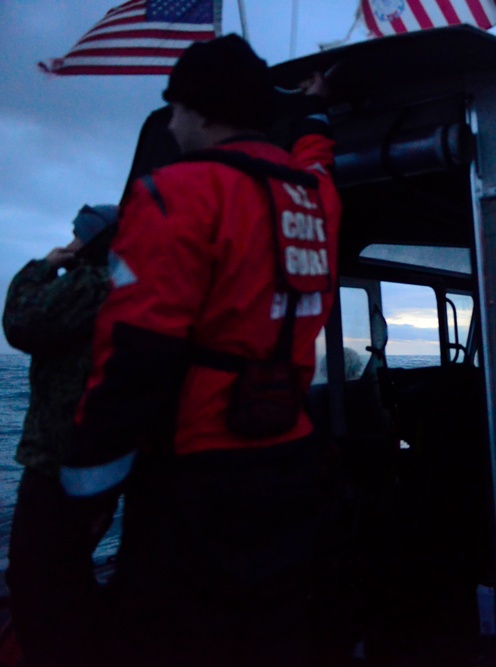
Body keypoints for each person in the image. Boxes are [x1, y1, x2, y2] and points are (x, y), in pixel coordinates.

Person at [59, 35, 342, 666]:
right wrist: (316, 110)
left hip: (198, 478)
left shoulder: (172, 192)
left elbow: (135, 355)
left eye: (177, 109)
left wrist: (83, 501)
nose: (173, 124)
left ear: (208, 114)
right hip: (291, 464)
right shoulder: (315, 197)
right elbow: (319, 159)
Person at [2, 204, 118, 666]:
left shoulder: (92, 287)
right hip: (91, 462)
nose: (68, 244)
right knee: (69, 575)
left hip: (60, 464)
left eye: (76, 237)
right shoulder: (118, 288)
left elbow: (20, 320)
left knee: (35, 580)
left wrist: (46, 264)